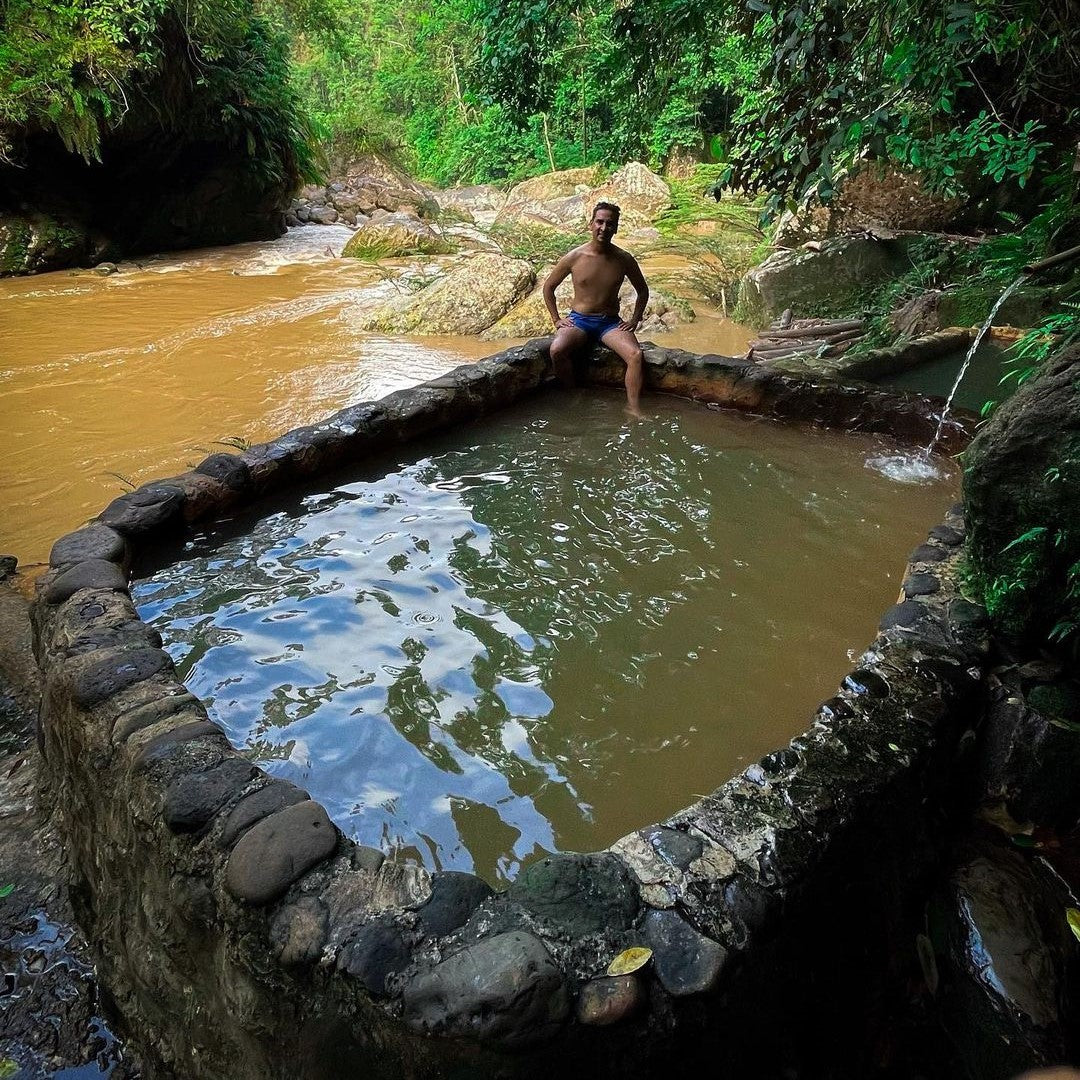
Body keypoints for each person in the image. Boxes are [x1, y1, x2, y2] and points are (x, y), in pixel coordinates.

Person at [542, 201, 649, 417]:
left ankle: (633, 408)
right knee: (556, 350)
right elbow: (548, 287)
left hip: (609, 323)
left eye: (610, 224)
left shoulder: (624, 259)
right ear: (591, 224)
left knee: (636, 355)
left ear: (616, 228)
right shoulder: (574, 257)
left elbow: (643, 291)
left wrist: (634, 319)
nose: (604, 227)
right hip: (579, 321)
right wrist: (556, 319)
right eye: (599, 222)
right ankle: (573, 393)